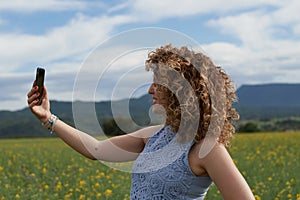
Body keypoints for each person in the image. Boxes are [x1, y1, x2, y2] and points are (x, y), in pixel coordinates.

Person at [27, 44, 255, 200]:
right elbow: (95, 149)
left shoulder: (208, 149)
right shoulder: (154, 135)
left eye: (157, 83)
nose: (150, 90)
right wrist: (49, 118)